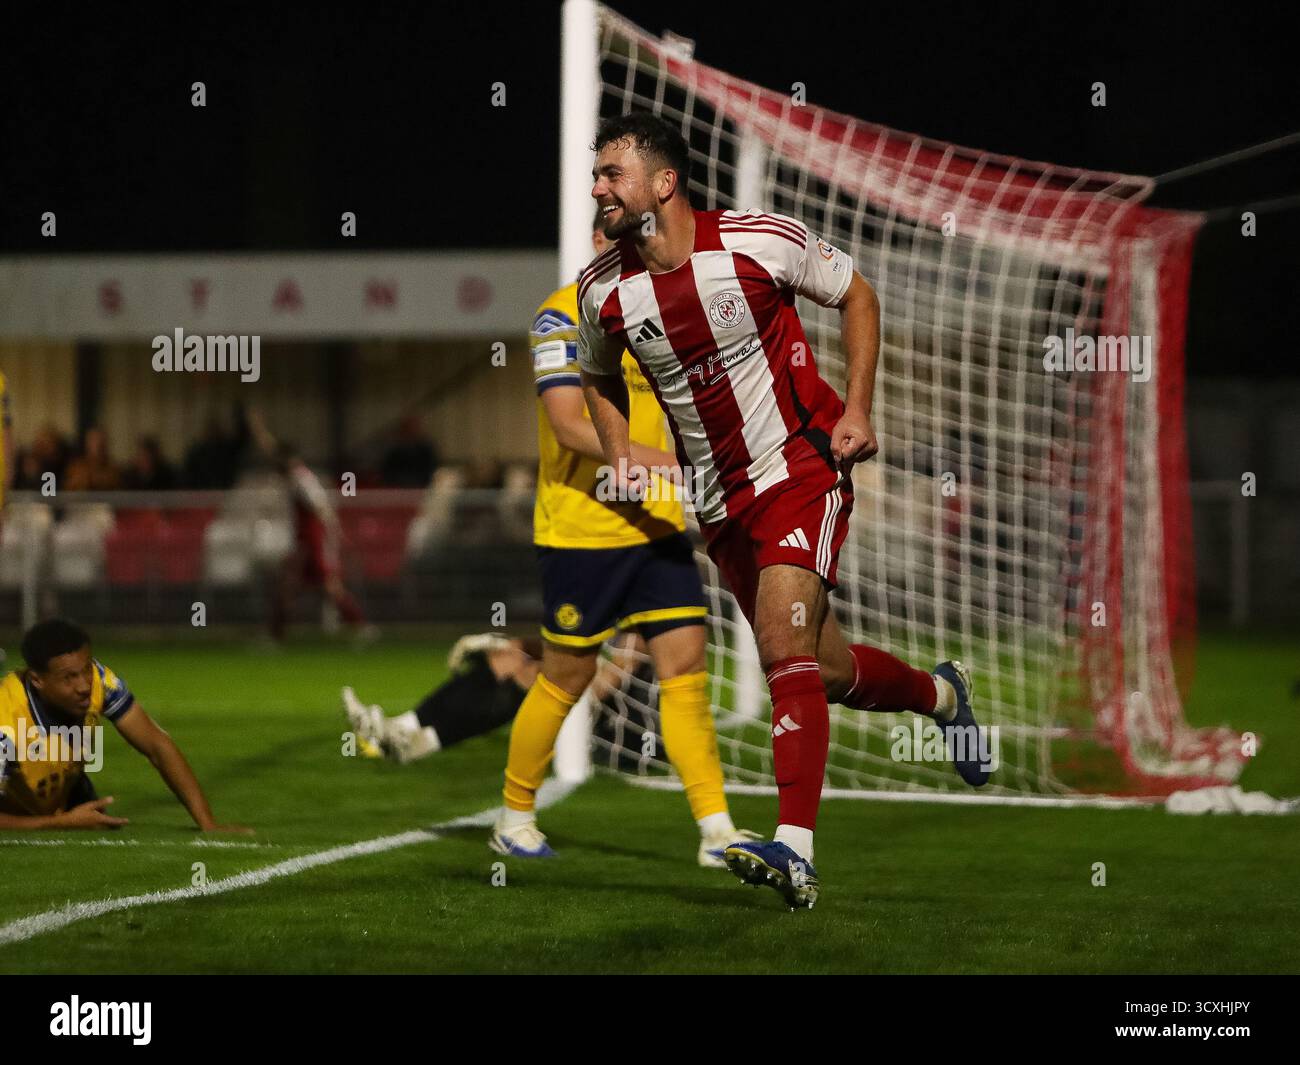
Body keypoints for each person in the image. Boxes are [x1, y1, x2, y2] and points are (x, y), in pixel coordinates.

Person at [576, 112, 991, 909]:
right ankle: (942, 696)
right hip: (720, 503)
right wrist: (621, 449)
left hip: (801, 464)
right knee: (823, 669)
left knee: (778, 640)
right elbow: (594, 374)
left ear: (664, 185)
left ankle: (794, 851)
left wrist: (858, 410)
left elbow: (857, 294)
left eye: (612, 176)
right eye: (596, 176)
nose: (599, 189)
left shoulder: (756, 241)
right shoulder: (605, 290)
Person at [491, 207, 755, 868]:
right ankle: (514, 813)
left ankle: (717, 829)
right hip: (584, 531)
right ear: (594, 242)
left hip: (659, 527)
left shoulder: (656, 315)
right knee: (567, 677)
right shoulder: (559, 317)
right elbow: (569, 425)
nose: (624, 248)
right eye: (613, 237)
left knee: (686, 669)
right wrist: (668, 465)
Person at [0, 619, 249, 833]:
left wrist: (208, 824)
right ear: (37, 680)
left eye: (86, 669)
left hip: (64, 793)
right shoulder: (5, 721)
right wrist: (60, 823)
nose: (84, 685)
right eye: (69, 678)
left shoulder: (100, 680)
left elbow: (157, 745)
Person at [248, 410, 377, 647]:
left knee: (323, 586)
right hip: (305, 541)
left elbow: (321, 507)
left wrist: (334, 534)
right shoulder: (294, 473)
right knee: (293, 586)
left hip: (312, 541)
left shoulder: (301, 479)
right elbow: (271, 448)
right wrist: (258, 427)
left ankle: (360, 625)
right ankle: (276, 635)